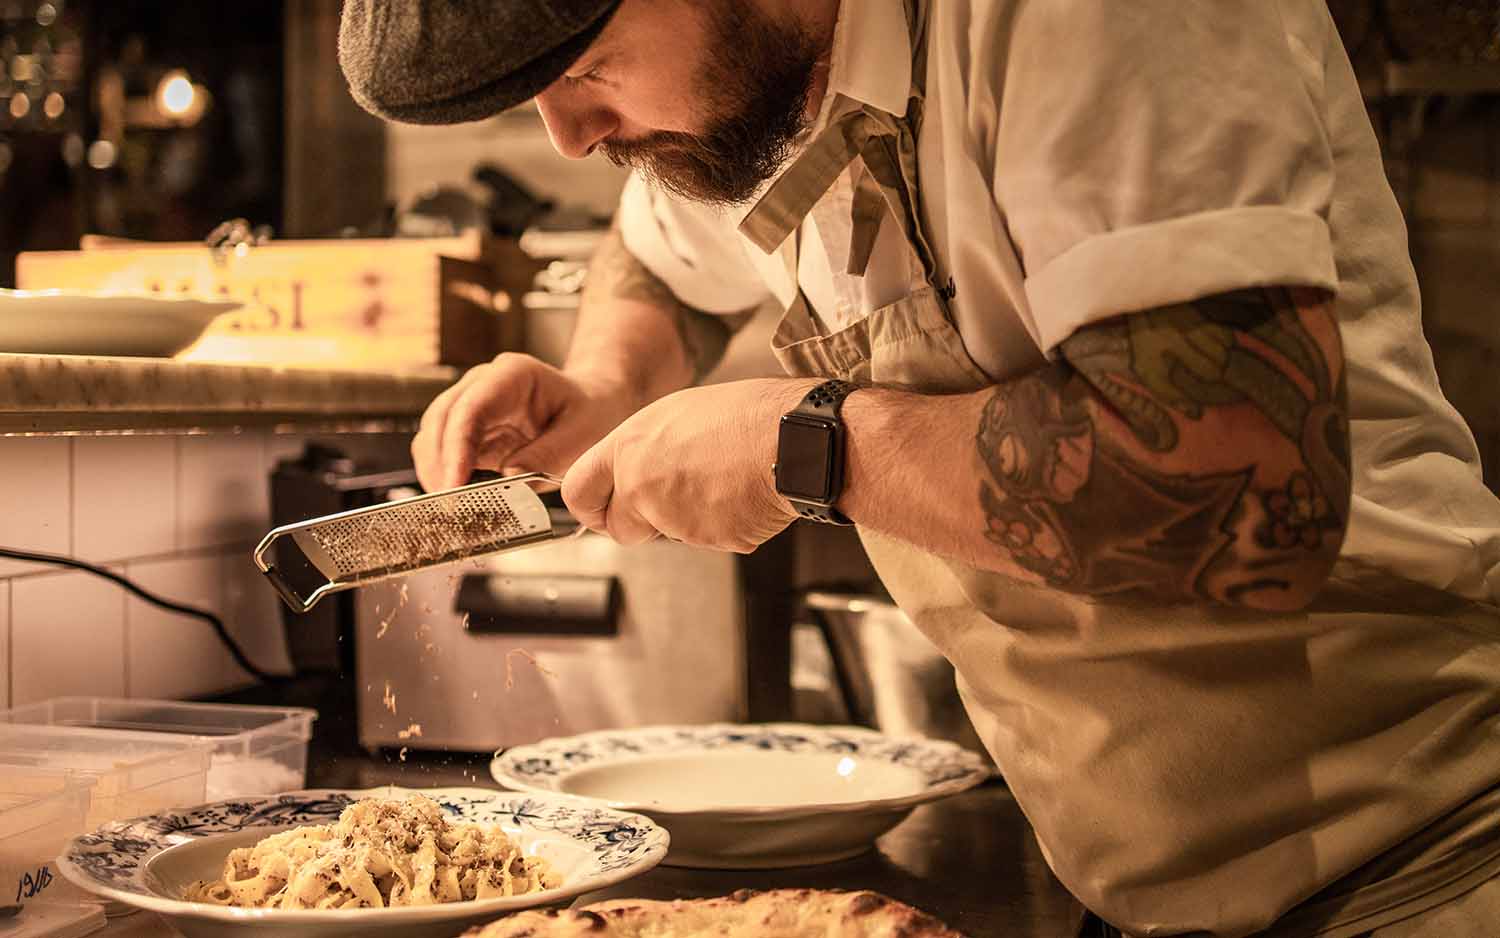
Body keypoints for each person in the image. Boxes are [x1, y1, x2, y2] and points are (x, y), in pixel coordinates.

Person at [338, 2, 1500, 935]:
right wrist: (603, 382)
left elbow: (1245, 492)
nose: (567, 136)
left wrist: (804, 442)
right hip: (1139, 887)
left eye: (585, 62)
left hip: (1424, 866)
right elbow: (656, 257)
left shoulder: (1086, 22)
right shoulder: (767, 88)